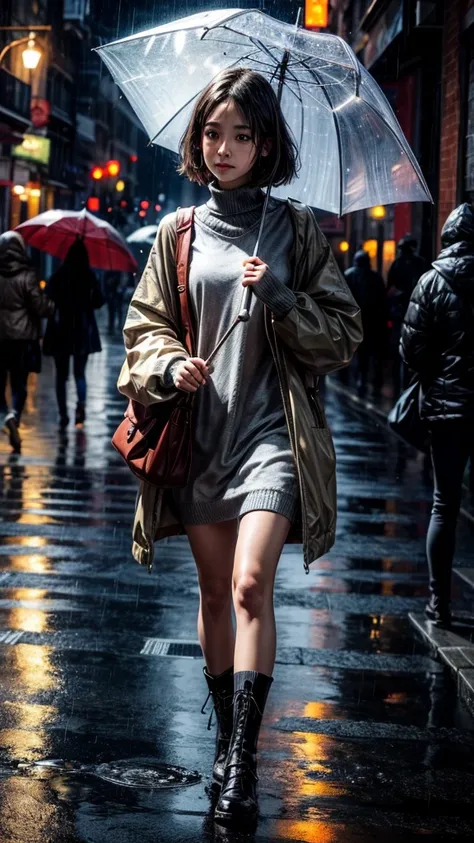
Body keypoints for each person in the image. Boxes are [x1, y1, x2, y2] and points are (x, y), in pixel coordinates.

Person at [118, 68, 362, 827]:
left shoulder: (293, 231)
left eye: (243, 134)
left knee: (254, 583)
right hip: (201, 438)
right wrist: (169, 363)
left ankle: (243, 765)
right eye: (214, 133)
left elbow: (344, 333)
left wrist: (282, 297)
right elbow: (143, 330)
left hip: (271, 439)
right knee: (215, 592)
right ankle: (226, 739)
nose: (225, 147)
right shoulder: (177, 233)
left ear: (266, 145)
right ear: (198, 140)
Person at [400, 203, 474, 628]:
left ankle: (439, 604)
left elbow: (411, 351)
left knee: (445, 506)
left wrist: (437, 373)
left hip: (447, 412)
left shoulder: (431, 282)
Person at [0, 231, 54, 452]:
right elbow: (40, 307)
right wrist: (50, 305)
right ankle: (15, 417)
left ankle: (5, 415)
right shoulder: (28, 274)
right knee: (19, 384)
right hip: (22, 339)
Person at [43, 239, 104, 428]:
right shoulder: (89, 276)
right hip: (82, 331)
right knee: (80, 373)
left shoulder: (59, 275)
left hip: (61, 329)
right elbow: (99, 301)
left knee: (61, 376)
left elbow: (48, 296)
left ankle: (63, 414)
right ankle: (80, 407)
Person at [388, 234, 427, 396]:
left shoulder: (397, 263)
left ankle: (399, 384)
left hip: (400, 312)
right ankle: (410, 385)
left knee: (399, 349)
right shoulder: (420, 263)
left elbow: (389, 286)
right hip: (416, 312)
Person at [344, 250, 388, 396]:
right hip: (373, 321)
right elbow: (383, 301)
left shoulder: (349, 275)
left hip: (354, 320)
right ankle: (374, 383)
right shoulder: (375, 277)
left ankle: (359, 379)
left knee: (359, 352)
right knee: (373, 354)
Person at [104, 269, 126, 334]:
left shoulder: (119, 272)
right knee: (112, 311)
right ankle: (112, 326)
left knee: (118, 310)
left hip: (117, 293)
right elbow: (105, 282)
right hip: (111, 293)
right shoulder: (108, 272)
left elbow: (122, 282)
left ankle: (117, 325)